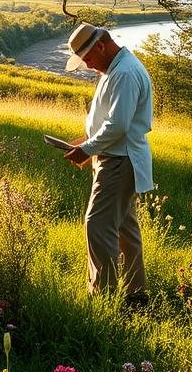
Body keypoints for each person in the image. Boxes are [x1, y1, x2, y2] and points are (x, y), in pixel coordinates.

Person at [61, 23, 153, 301]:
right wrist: (86, 142)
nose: (88, 66)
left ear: (101, 46)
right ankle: (135, 295)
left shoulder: (123, 73)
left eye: (88, 58)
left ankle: (103, 297)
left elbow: (118, 125)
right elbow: (111, 122)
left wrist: (87, 149)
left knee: (97, 225)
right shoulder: (115, 68)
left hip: (118, 161)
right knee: (125, 229)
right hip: (118, 158)